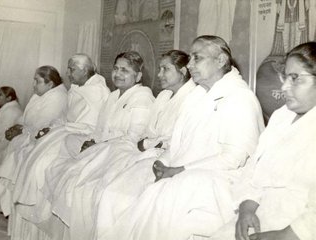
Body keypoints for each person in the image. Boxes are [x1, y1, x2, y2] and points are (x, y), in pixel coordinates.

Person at [100, 35, 264, 240]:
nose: (190, 64)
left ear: (220, 61)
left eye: (197, 58)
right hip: (184, 170)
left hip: (219, 179)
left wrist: (180, 170)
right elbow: (180, 142)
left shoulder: (239, 98)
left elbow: (235, 158)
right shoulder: (199, 95)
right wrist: (164, 162)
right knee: (120, 192)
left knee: (159, 205)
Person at [40, 51, 155, 240]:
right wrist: (92, 140)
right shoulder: (114, 96)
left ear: (139, 76)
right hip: (104, 147)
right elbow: (100, 128)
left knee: (81, 184)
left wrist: (99, 145)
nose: (118, 74)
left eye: (125, 70)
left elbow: (135, 137)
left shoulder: (142, 98)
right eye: (116, 68)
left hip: (124, 153)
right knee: (62, 168)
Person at [209, 41, 316, 240]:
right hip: (262, 213)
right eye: (285, 77)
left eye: (295, 79)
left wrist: (282, 236)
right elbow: (254, 167)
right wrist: (247, 209)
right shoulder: (281, 117)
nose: (284, 87)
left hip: (296, 229)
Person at [90, 49, 196, 239]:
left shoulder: (192, 98)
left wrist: (147, 144)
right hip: (148, 152)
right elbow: (149, 130)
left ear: (183, 71)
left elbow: (178, 139)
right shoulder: (164, 96)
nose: (159, 74)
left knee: (117, 196)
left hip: (169, 157)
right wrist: (147, 143)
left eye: (165, 69)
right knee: (106, 187)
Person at [3, 54, 110, 240]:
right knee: (31, 153)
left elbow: (93, 125)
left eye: (71, 69)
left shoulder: (98, 92)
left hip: (82, 136)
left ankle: (38, 211)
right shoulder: (78, 88)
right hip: (67, 130)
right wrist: (51, 127)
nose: (67, 73)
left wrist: (63, 128)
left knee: (43, 161)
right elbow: (66, 117)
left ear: (84, 70)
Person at [0, 66, 68, 216]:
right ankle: (7, 208)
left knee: (12, 165)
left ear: (50, 84)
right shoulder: (40, 95)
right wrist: (18, 126)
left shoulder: (58, 97)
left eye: (37, 81)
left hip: (41, 141)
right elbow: (26, 118)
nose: (33, 84)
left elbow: (42, 123)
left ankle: (11, 209)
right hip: (27, 137)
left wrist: (20, 129)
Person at [0, 86, 22, 210]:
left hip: (4, 150)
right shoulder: (7, 109)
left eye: (0, 95)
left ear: (9, 98)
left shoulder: (11, 111)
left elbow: (4, 136)